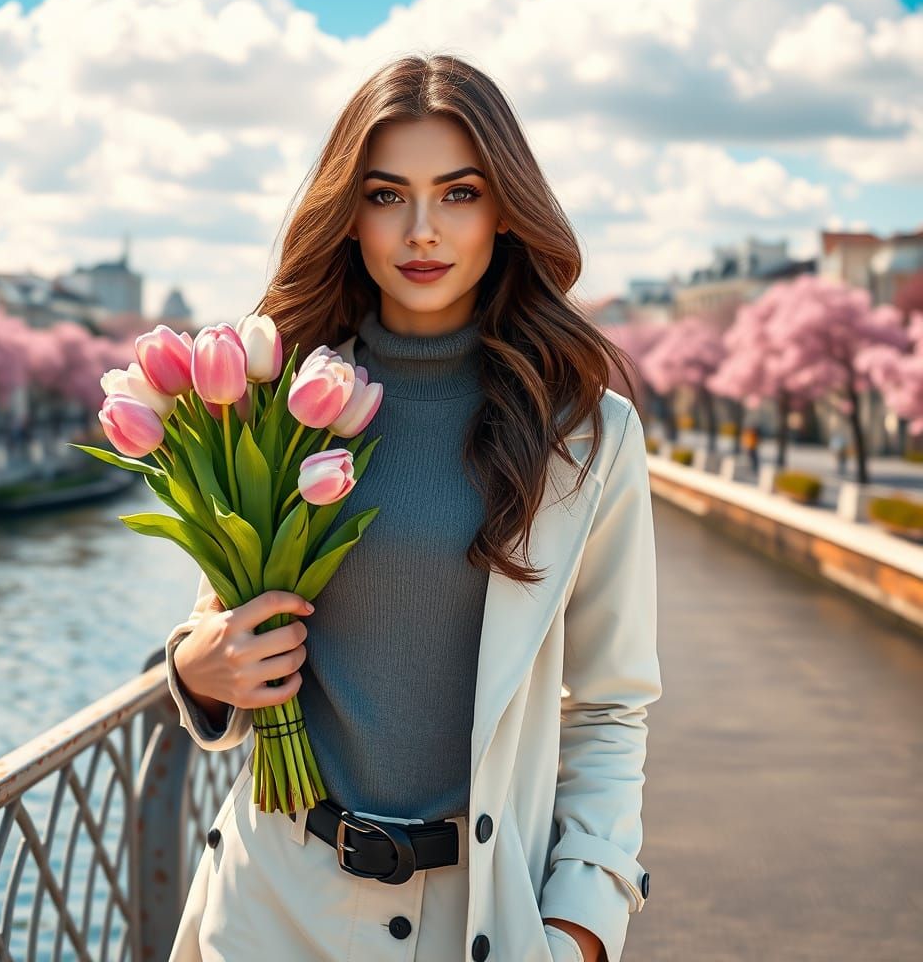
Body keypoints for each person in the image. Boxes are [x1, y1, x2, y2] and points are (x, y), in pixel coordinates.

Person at [163, 54, 661, 962]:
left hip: (482, 919)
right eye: (388, 195)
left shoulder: (587, 436)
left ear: (505, 209)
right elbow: (219, 630)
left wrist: (583, 925)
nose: (422, 231)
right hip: (275, 900)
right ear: (349, 215)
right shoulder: (276, 406)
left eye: (459, 193)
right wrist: (197, 667)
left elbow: (609, 705)